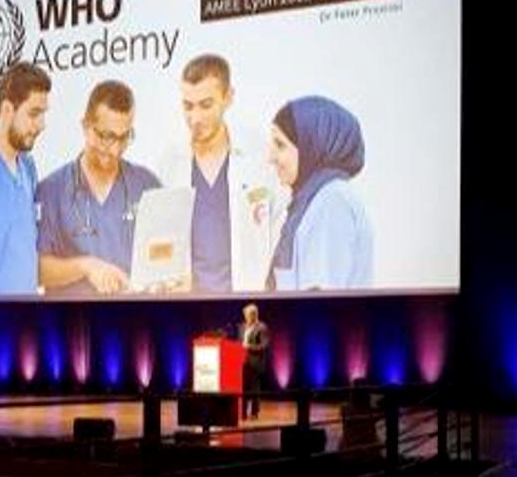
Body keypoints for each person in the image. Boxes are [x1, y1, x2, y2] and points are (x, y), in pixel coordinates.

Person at [158, 54, 285, 293]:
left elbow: (282, 226)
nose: (195, 118)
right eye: (188, 106)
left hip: (247, 302)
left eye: (206, 105)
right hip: (189, 305)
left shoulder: (259, 156)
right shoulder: (171, 163)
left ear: (228, 98)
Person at [36, 81, 160, 295]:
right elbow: (37, 269)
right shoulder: (51, 191)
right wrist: (86, 267)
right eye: (106, 137)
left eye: (123, 137)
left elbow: (168, 257)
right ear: (86, 127)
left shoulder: (147, 185)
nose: (115, 149)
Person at [267, 96, 373, 290]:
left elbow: (321, 299)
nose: (270, 157)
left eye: (280, 145)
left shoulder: (331, 201)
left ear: (311, 145)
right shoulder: (313, 200)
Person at [0, 62, 51, 295]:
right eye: (34, 114)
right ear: (7, 110)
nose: (42, 125)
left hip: (29, 312)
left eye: (43, 114)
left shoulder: (28, 167)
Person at [239, 303, 269, 419]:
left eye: (246, 315)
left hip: (255, 363)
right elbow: (239, 343)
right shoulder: (243, 327)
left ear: (253, 315)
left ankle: (254, 413)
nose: (245, 317)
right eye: (245, 315)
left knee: (254, 389)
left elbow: (264, 345)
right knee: (243, 389)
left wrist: (249, 347)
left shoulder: (262, 327)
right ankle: (243, 412)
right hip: (243, 362)